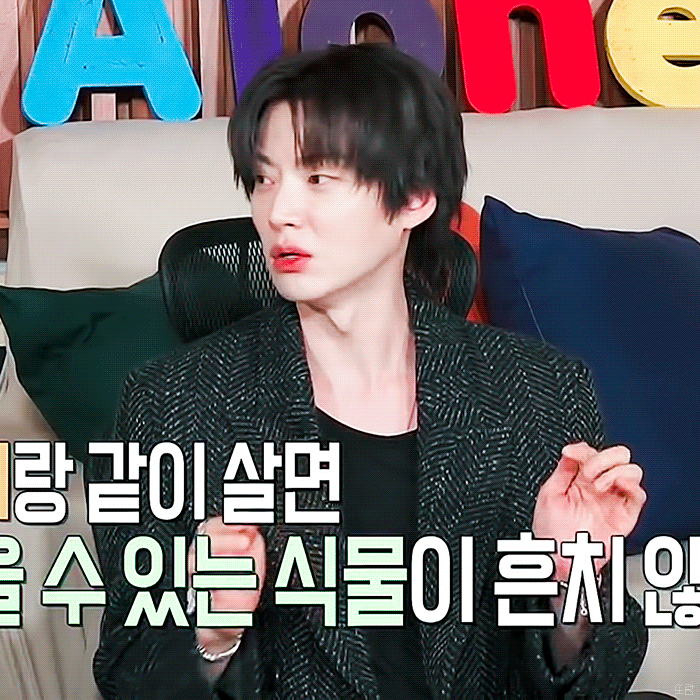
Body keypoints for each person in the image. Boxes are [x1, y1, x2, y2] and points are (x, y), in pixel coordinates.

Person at [91, 43, 648, 699]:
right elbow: (127, 673)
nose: (279, 212)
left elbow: (598, 677)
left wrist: (566, 577)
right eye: (265, 179)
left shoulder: (539, 389)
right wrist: (213, 629)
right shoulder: (172, 402)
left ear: (414, 197)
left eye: (318, 179)